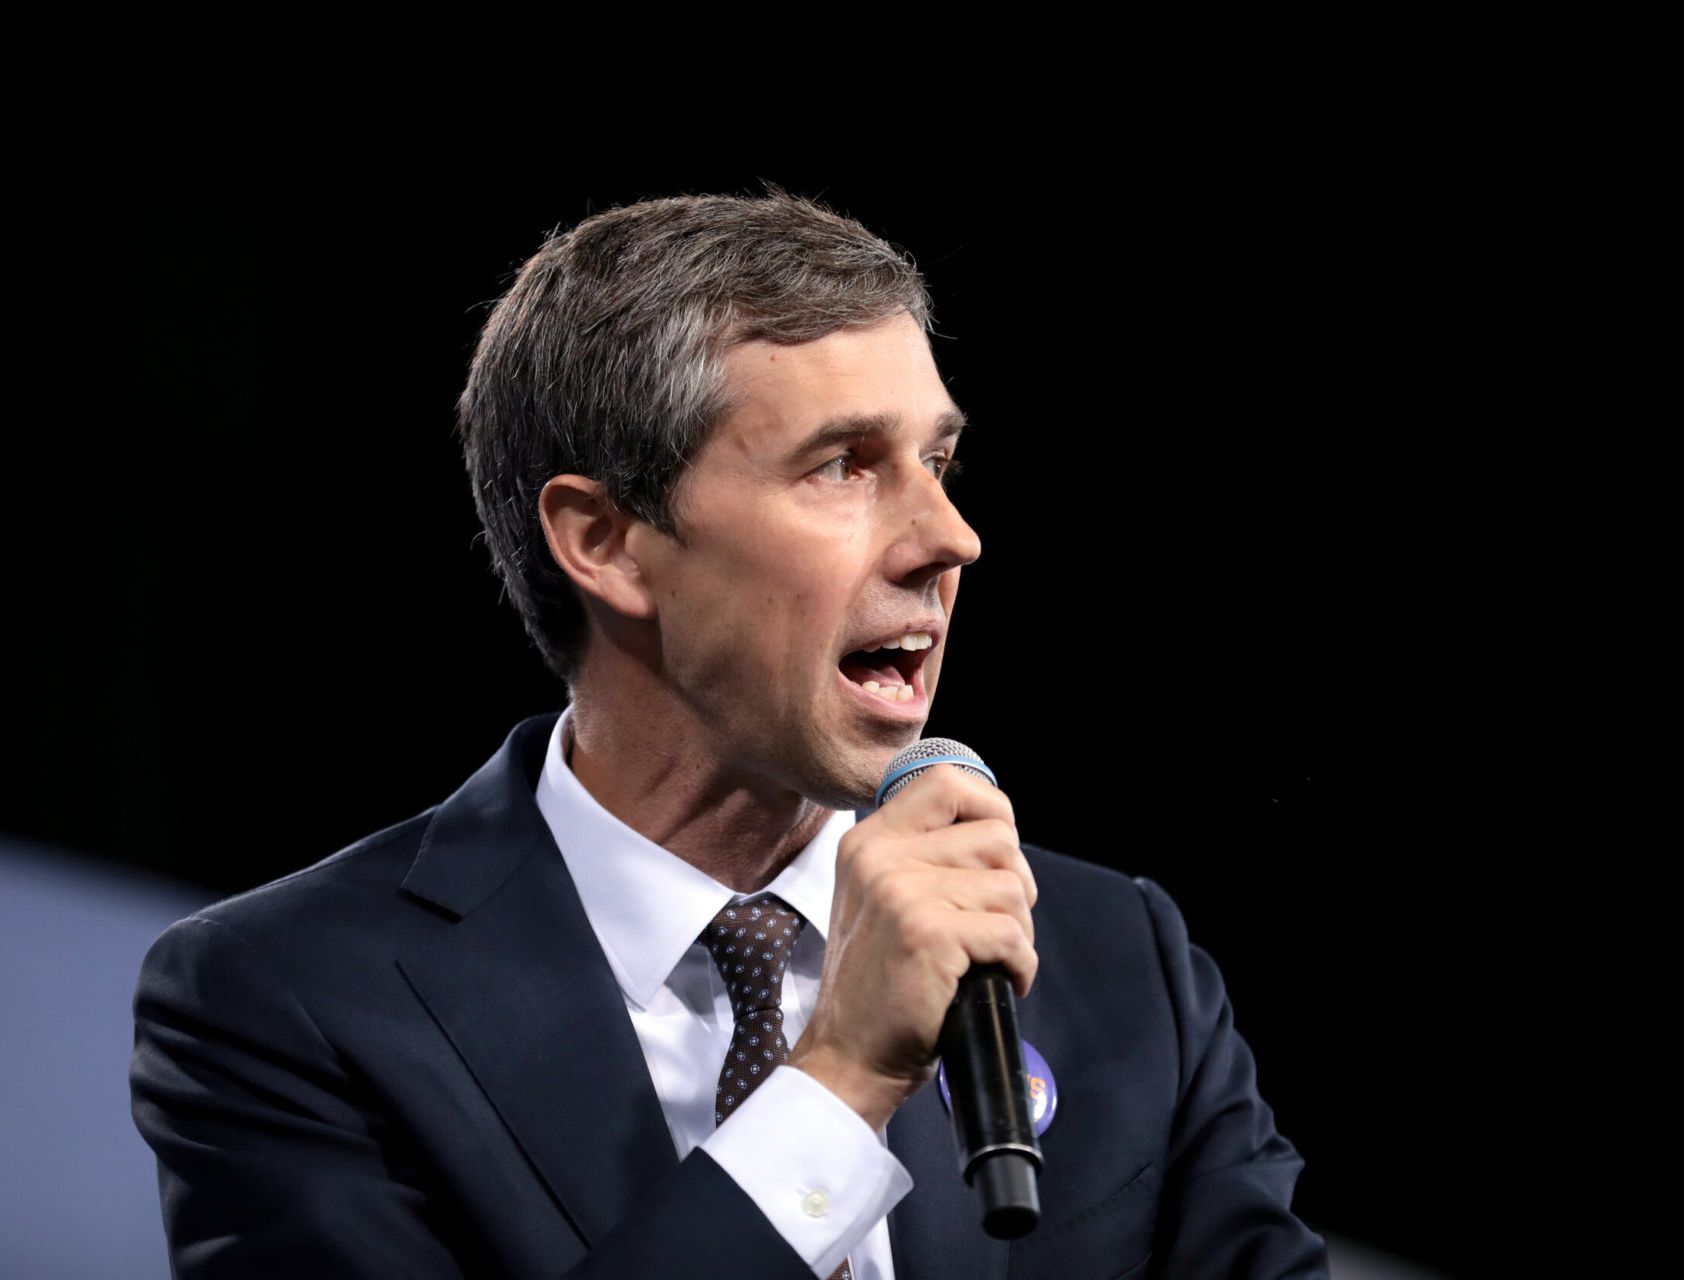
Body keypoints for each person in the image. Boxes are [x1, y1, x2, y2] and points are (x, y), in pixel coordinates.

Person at [130, 191, 1327, 1279]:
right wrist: (842, 1078)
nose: (949, 535)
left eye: (940, 459)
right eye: (845, 466)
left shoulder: (1123, 965)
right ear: (604, 540)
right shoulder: (291, 1001)